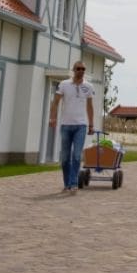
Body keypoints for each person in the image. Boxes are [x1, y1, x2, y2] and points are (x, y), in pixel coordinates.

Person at [48, 61, 95, 194]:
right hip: (66, 125)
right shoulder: (64, 84)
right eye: (78, 68)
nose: (81, 71)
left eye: (83, 69)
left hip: (81, 125)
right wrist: (52, 118)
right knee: (64, 158)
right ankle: (67, 183)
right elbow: (55, 102)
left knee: (76, 156)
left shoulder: (88, 86)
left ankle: (74, 184)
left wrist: (91, 124)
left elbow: (90, 107)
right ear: (73, 70)